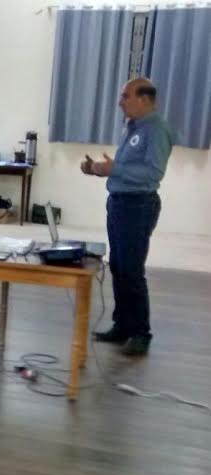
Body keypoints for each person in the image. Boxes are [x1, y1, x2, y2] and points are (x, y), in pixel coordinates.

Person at [83, 77, 174, 356]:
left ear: (144, 99)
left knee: (132, 271)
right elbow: (123, 168)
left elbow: (153, 173)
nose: (120, 102)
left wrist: (114, 170)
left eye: (126, 96)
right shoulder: (132, 127)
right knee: (119, 268)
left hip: (138, 206)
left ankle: (141, 334)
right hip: (120, 204)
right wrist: (97, 169)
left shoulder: (156, 130)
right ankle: (122, 326)